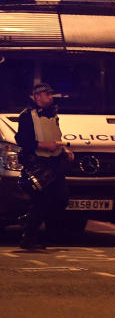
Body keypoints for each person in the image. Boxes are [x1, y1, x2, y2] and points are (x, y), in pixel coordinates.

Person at [15, 82, 74, 250]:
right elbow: (22, 140)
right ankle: (30, 236)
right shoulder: (27, 115)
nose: (50, 97)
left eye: (50, 94)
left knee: (61, 199)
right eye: (47, 94)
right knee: (42, 201)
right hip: (38, 164)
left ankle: (30, 222)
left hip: (55, 163)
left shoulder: (53, 115)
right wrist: (43, 145)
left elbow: (56, 136)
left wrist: (65, 151)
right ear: (37, 97)